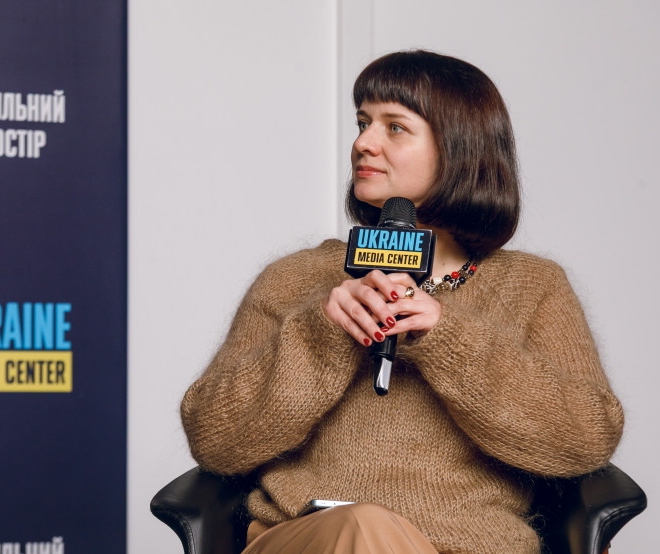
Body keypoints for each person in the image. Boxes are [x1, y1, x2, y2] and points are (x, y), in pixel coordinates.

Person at [180, 50, 624, 554]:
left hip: (466, 546)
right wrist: (320, 335)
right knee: (365, 526)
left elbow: (585, 440)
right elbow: (213, 439)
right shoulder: (296, 278)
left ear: (460, 148)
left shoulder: (534, 286)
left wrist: (448, 339)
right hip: (310, 538)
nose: (363, 143)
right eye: (362, 123)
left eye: (394, 127)